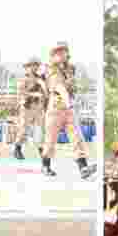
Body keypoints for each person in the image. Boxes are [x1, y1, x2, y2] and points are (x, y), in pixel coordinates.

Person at [42, 42, 94, 178]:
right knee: (51, 139)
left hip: (69, 106)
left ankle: (83, 167)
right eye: (57, 52)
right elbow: (59, 87)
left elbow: (71, 86)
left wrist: (72, 99)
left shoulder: (70, 68)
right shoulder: (51, 69)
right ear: (52, 55)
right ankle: (45, 165)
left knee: (76, 136)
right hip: (56, 106)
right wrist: (69, 103)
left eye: (62, 51)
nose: (60, 54)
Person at [15, 58, 47, 160]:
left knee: (41, 129)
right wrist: (34, 94)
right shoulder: (24, 79)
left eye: (36, 65)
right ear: (27, 68)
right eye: (32, 65)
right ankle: (17, 148)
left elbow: (45, 92)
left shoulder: (41, 78)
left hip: (38, 107)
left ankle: (42, 150)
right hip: (27, 107)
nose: (34, 67)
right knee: (23, 129)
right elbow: (21, 93)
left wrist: (43, 86)